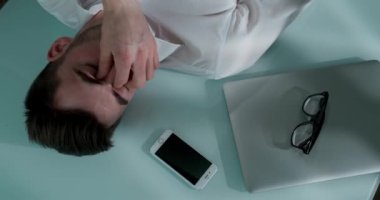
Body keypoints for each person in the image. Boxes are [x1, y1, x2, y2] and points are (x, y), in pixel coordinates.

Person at [25, 0, 311, 156]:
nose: (119, 61)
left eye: (92, 70)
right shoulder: (220, 50)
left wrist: (121, 8)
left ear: (59, 49)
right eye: (122, 86)